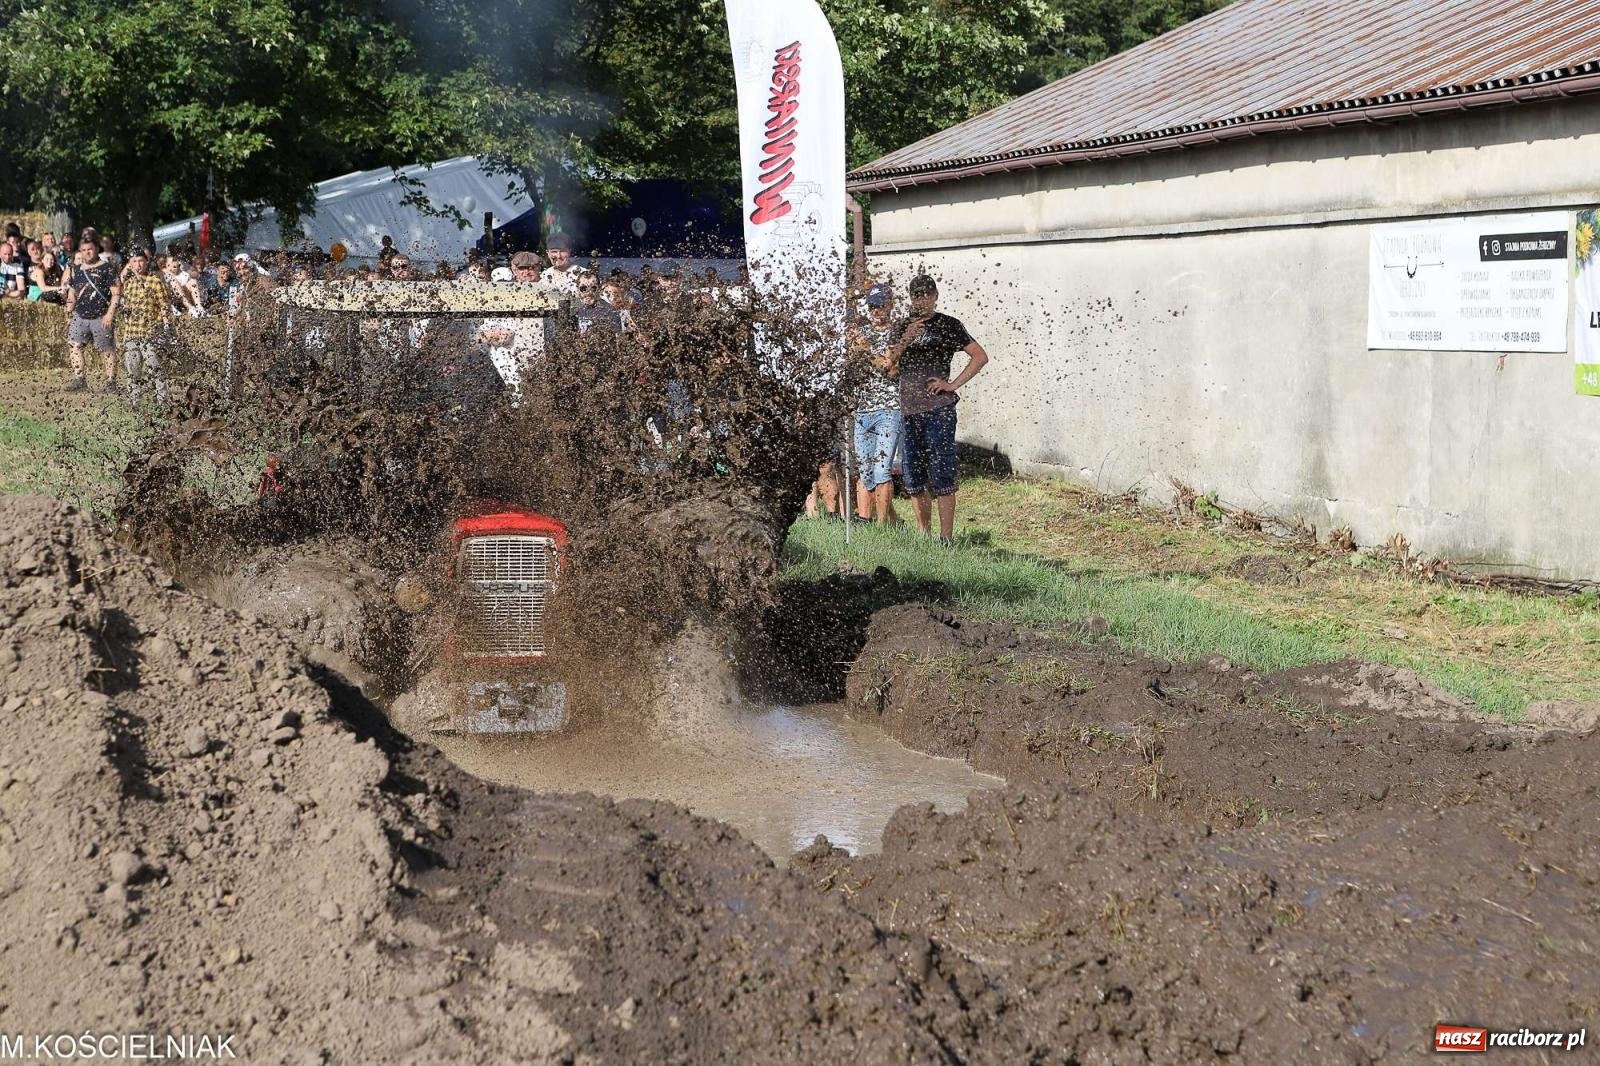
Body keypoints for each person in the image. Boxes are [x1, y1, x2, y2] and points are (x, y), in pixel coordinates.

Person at [891, 274, 989, 546]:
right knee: (913, 475)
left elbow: (980, 356)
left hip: (939, 410)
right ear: (910, 298)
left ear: (935, 296)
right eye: (916, 295)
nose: (921, 300)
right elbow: (888, 365)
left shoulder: (949, 325)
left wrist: (952, 384)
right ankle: (924, 534)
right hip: (909, 411)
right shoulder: (900, 327)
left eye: (926, 294)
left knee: (942, 472)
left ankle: (945, 539)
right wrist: (905, 341)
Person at [850, 283, 903, 524]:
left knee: (882, 471)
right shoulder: (861, 333)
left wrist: (866, 350)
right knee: (866, 472)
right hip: (862, 410)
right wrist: (852, 349)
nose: (876, 311)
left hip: (888, 410)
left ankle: (883, 527)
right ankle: (866, 522)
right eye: (872, 307)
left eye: (880, 305)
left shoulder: (897, 333)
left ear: (890, 305)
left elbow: (890, 369)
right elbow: (850, 368)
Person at [63, 236, 121, 392]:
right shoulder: (76, 270)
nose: (86, 253)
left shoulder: (107, 268)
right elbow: (72, 294)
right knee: (74, 346)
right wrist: (69, 313)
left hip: (101, 315)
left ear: (96, 249)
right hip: (80, 316)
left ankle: (111, 383)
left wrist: (110, 315)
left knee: (106, 349)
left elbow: (116, 293)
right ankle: (80, 380)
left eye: (89, 249)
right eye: (83, 250)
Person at [117, 248, 172, 406]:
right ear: (130, 264)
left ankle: (161, 401)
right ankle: (134, 402)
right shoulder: (128, 284)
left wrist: (166, 325)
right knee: (132, 370)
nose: (138, 264)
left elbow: (164, 305)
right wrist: (124, 308)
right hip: (131, 333)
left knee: (155, 368)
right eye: (134, 261)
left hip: (150, 333)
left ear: (146, 262)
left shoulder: (155, 281)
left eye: (140, 260)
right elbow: (124, 304)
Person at [571, 271, 622, 335]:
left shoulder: (610, 311)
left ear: (599, 289)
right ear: (578, 289)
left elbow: (618, 339)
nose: (589, 292)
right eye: (583, 288)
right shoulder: (574, 310)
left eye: (593, 288)